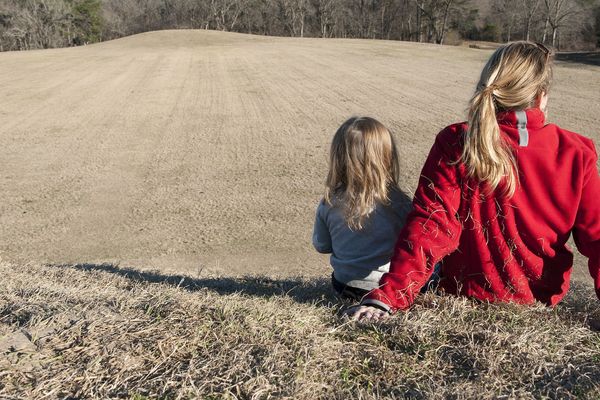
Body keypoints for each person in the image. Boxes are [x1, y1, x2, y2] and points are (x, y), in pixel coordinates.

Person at [346, 41, 600, 322]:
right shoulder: (576, 151)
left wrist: (389, 296)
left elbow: (431, 224)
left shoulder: (456, 141)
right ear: (541, 96)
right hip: (540, 300)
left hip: (464, 293)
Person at [312, 117, 412, 301]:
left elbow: (322, 246)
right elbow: (410, 246)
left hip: (344, 286)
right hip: (385, 287)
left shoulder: (329, 202)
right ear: (388, 157)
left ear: (339, 157)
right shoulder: (400, 203)